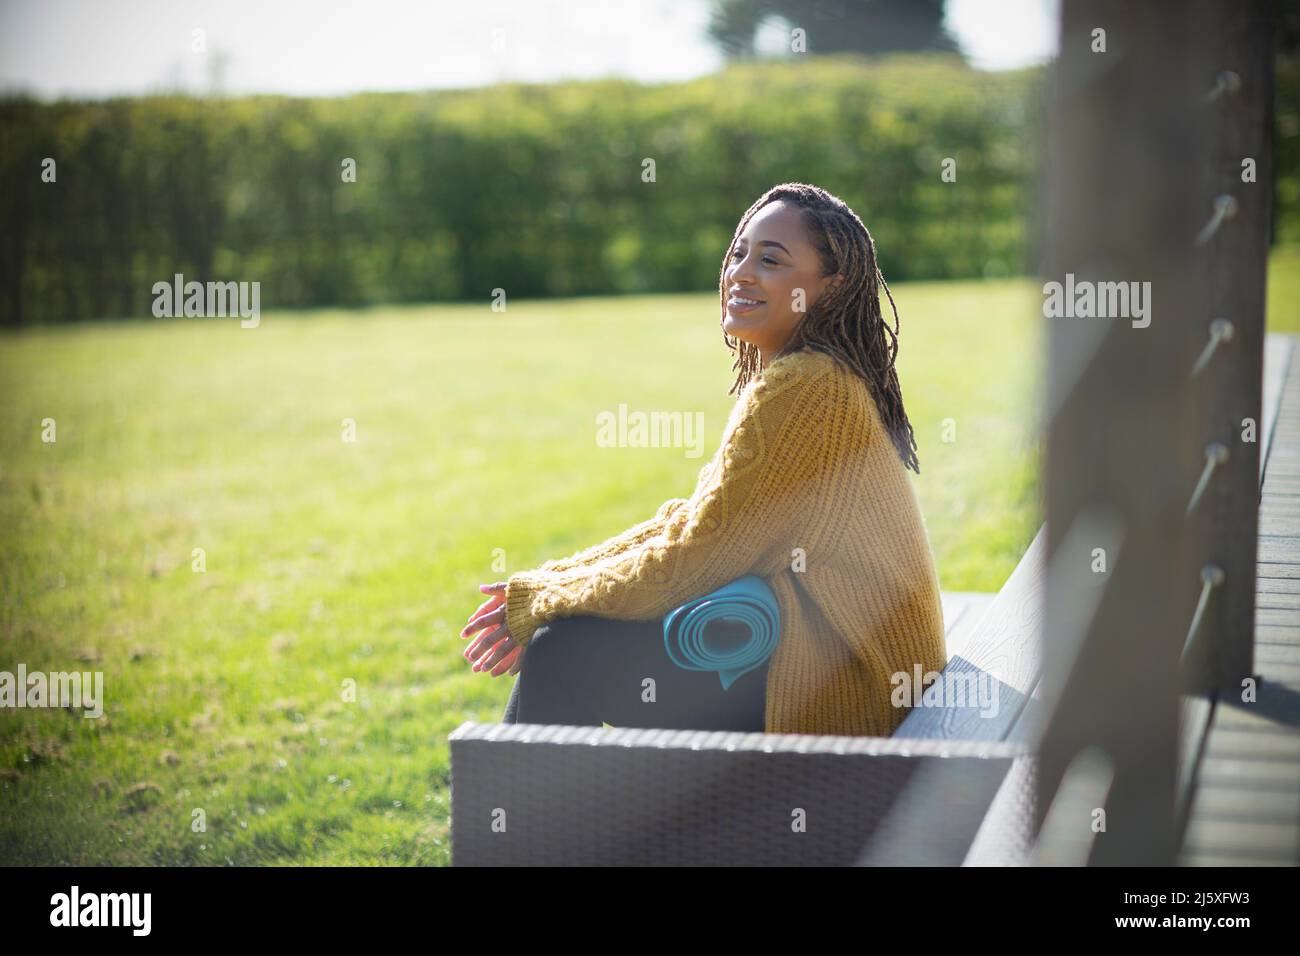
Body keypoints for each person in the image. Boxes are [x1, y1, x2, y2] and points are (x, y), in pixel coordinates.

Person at [460, 182, 946, 737]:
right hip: (831, 657)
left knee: (565, 652)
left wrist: (545, 601)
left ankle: (522, 821)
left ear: (830, 288)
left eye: (771, 260)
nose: (741, 272)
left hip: (851, 685)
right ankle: (529, 817)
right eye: (739, 252)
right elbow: (696, 525)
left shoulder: (806, 387)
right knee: (566, 641)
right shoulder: (808, 376)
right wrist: (552, 582)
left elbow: (694, 557)